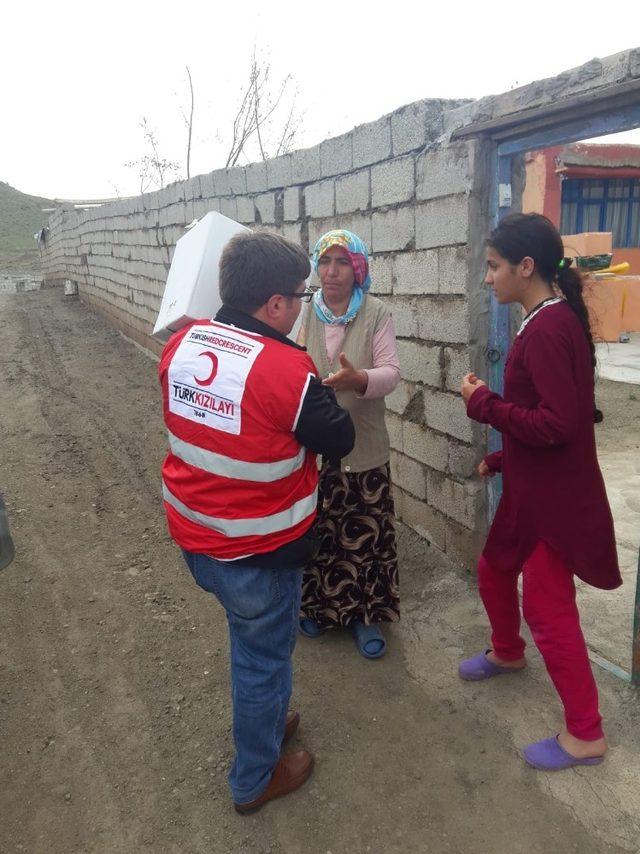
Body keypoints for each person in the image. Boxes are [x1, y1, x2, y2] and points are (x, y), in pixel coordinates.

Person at [159, 230, 355, 812]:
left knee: (251, 644)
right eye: (300, 296)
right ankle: (254, 778)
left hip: (197, 539)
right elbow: (339, 437)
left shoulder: (183, 344)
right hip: (258, 554)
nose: (302, 306)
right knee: (261, 661)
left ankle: (265, 718)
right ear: (274, 305)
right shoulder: (286, 369)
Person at [458, 212, 621, 771]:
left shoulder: (548, 329)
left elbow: (557, 425)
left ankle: (586, 734)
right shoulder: (544, 320)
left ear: (526, 266)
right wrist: (504, 458)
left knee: (548, 611)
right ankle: (507, 652)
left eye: (493, 266)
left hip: (553, 503)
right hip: (530, 489)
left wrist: (483, 405)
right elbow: (555, 419)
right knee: (494, 569)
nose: (488, 278)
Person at [298, 229, 401, 659]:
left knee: (364, 532)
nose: (332, 271)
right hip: (315, 446)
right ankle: (317, 607)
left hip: (363, 446)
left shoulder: (375, 313)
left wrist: (359, 379)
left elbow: (391, 372)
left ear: (357, 269)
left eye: (342, 262)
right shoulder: (306, 312)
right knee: (318, 528)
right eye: (325, 262)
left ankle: (365, 616)